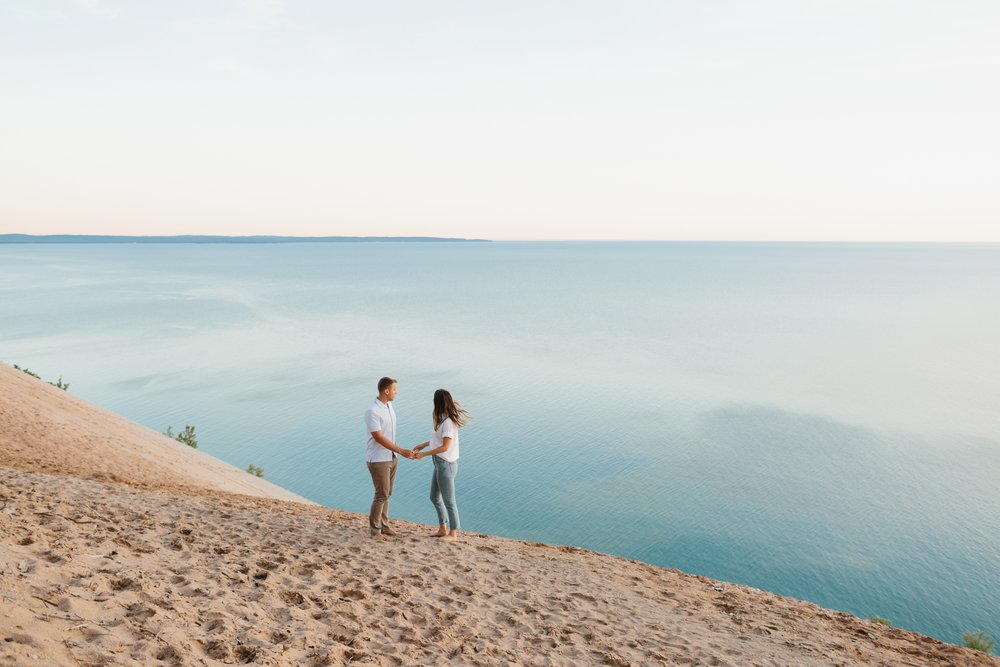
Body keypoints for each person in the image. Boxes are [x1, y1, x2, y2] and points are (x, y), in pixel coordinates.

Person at [413, 389, 469, 541]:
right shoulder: (442, 419)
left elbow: (445, 447)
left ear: (437, 402)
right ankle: (443, 528)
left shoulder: (449, 423)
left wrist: (423, 455)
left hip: (446, 466)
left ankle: (453, 533)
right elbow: (437, 441)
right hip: (439, 464)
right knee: (434, 497)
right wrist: (423, 445)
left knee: (449, 501)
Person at [364, 376, 413, 539]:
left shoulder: (389, 406)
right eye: (394, 390)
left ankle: (384, 526)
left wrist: (397, 452)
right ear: (386, 391)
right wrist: (400, 450)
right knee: (381, 494)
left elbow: (389, 434)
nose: (396, 393)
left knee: (387, 493)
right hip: (378, 459)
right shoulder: (373, 411)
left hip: (390, 456)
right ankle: (375, 530)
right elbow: (378, 437)